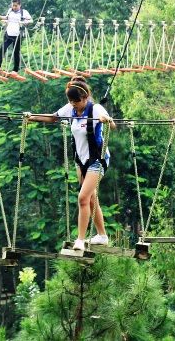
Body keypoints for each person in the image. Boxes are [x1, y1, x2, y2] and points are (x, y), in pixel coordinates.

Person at [27, 76, 116, 251]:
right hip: (80, 160)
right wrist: (32, 117)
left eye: (76, 101)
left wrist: (108, 121)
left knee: (83, 198)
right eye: (70, 101)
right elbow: (53, 118)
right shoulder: (70, 109)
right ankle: (102, 236)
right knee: (90, 198)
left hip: (97, 159)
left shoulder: (96, 109)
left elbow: (112, 126)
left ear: (85, 98)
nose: (73, 104)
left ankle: (80, 240)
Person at [0, 0, 32, 74]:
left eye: (16, 5)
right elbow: (6, 18)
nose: (14, 7)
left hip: (18, 34)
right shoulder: (10, 11)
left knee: (16, 52)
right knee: (3, 48)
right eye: (13, 5)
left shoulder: (24, 12)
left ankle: (15, 70)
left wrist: (24, 22)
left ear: (20, 5)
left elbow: (31, 20)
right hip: (9, 33)